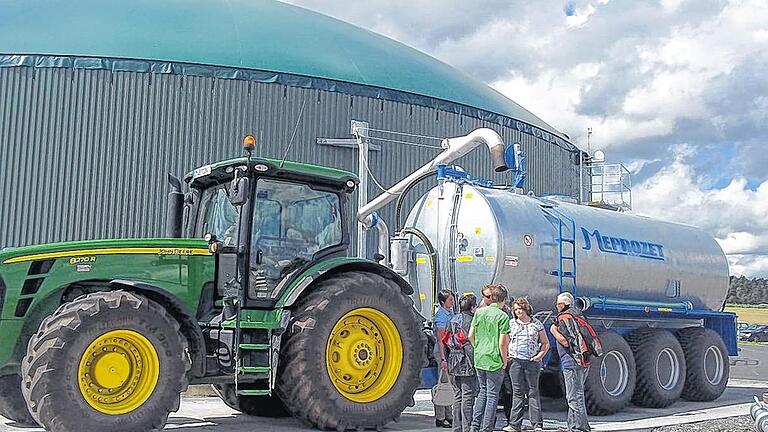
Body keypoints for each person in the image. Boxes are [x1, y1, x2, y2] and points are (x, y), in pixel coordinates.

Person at [468, 284, 511, 432]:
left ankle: (474, 426)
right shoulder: (503, 316)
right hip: (494, 359)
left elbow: (470, 335)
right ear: (504, 299)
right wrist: (504, 360)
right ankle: (486, 428)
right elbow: (502, 343)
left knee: (482, 392)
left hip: (480, 357)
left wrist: (478, 348)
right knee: (492, 396)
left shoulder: (479, 313)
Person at [504, 298, 550, 432]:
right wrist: (507, 355)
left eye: (521, 309)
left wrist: (539, 356)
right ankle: (514, 424)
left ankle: (537, 424)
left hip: (532, 362)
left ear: (526, 309)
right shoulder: (511, 323)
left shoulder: (536, 324)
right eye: (516, 309)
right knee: (517, 392)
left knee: (533, 392)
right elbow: (505, 341)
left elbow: (545, 343)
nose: (519, 312)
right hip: (515, 361)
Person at [550, 292, 591, 432]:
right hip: (583, 360)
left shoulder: (564, 318)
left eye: (558, 304)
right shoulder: (579, 315)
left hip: (571, 361)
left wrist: (553, 330)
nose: (556, 306)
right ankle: (572, 426)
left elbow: (565, 342)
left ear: (564, 304)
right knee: (576, 394)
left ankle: (580, 428)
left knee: (574, 396)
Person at [446, 293, 479, 432]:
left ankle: (457, 427)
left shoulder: (453, 319)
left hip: (454, 359)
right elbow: (471, 344)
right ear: (472, 307)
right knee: (468, 395)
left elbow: (446, 340)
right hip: (466, 360)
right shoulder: (472, 320)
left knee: (458, 395)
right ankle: (467, 427)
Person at [434, 289, 456, 428]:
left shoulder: (450, 312)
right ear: (443, 302)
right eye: (450, 300)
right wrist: (443, 359)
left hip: (449, 351)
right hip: (443, 352)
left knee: (449, 383)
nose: (452, 302)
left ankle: (449, 415)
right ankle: (440, 417)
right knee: (443, 384)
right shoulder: (441, 316)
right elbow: (440, 339)